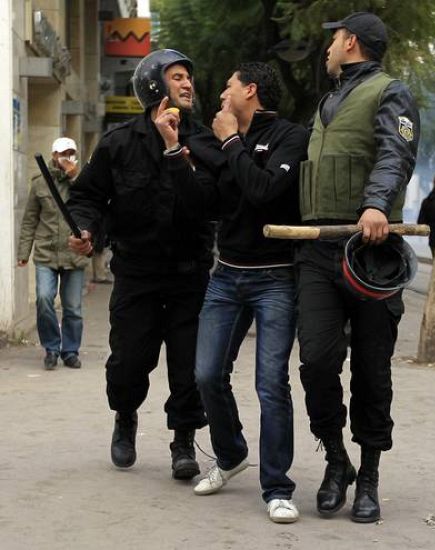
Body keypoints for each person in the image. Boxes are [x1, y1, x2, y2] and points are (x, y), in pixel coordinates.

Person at [67, 49, 222, 479]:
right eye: (177, 77)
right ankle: (125, 418)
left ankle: (184, 440)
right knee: (128, 363)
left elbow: (209, 202)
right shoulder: (118, 143)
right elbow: (87, 198)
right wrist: (86, 231)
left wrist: (177, 151)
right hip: (136, 274)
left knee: (188, 366)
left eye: (189, 77)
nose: (188, 84)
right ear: (154, 84)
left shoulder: (203, 142)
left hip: (190, 276)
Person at [296, 11, 419, 523]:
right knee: (317, 363)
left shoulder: (392, 93)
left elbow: (397, 153)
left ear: (349, 42)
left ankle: (368, 474)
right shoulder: (326, 102)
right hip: (317, 251)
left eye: (332, 41)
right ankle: (336, 460)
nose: (326, 50)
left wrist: (375, 205)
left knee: (372, 370)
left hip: (370, 255)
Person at [191, 62, 309, 524]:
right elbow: (211, 204)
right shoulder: (227, 142)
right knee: (205, 374)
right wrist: (176, 153)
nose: (221, 95)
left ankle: (277, 488)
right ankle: (231, 451)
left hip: (275, 277)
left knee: (270, 385)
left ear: (251, 90)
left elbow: (263, 191)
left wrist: (232, 143)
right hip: (226, 275)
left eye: (228, 86)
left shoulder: (291, 137)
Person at [17, 137, 89, 370]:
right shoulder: (39, 183)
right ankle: (51, 348)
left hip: (73, 254)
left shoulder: (82, 180)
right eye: (62, 153)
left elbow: (92, 205)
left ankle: (70, 351)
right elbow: (29, 220)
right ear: (53, 155)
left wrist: (75, 176)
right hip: (46, 253)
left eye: (70, 153)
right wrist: (23, 252)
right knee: (44, 299)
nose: (66, 157)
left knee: (73, 308)